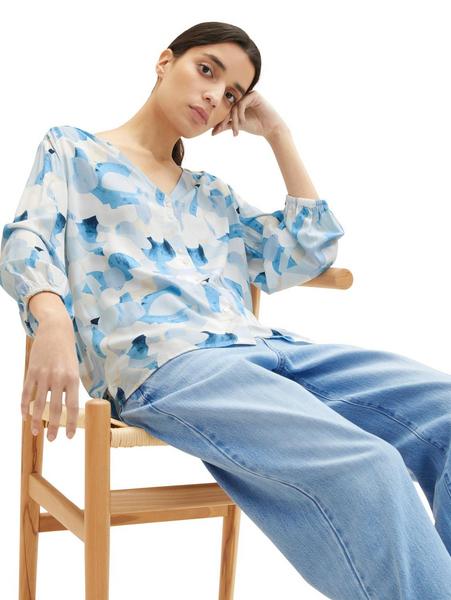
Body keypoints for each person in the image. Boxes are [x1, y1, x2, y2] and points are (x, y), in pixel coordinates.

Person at [1, 20, 451, 599]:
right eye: (207, 70)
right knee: (368, 466)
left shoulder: (212, 195)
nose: (215, 96)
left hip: (267, 350)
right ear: (165, 61)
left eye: (232, 93)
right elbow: (27, 239)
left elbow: (308, 250)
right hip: (169, 366)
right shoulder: (72, 149)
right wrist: (52, 320)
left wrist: (279, 134)